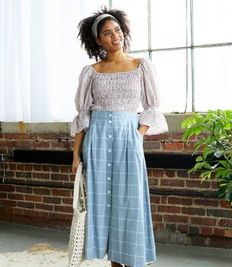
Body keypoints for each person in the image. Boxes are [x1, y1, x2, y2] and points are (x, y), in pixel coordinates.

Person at [70, 6, 168, 267]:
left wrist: (137, 135)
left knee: (129, 202)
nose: (115, 36)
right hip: (98, 141)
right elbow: (83, 116)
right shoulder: (91, 72)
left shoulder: (141, 65)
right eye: (107, 33)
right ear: (98, 40)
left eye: (117, 30)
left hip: (128, 138)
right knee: (102, 202)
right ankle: (113, 262)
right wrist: (76, 154)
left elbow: (152, 107)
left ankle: (132, 259)